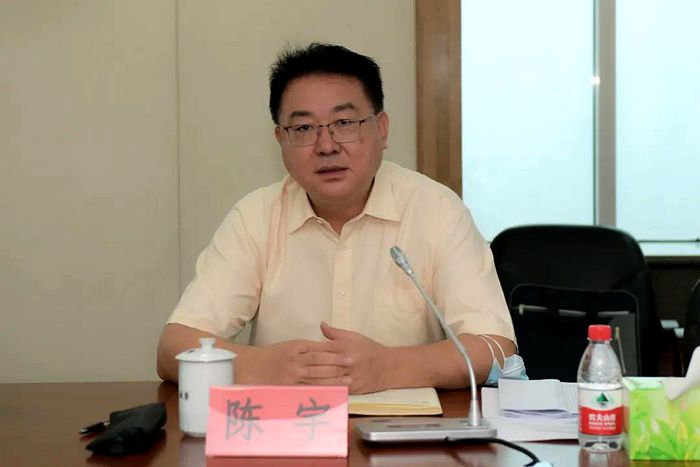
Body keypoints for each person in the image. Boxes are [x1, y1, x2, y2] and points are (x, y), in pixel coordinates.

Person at [157, 43, 517, 394]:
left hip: (406, 430)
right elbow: (173, 347)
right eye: (304, 128)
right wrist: (261, 365)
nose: (326, 146)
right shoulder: (255, 218)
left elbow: (496, 348)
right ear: (280, 140)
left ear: (382, 129)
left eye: (344, 123)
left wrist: (388, 367)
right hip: (288, 428)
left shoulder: (436, 209)